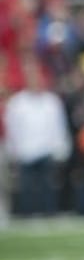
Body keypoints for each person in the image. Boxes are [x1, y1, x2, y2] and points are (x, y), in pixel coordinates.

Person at [3, 58, 72, 216]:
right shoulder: (17, 103)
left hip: (46, 151)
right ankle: (28, 216)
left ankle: (49, 215)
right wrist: (12, 150)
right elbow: (12, 129)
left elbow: (59, 127)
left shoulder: (51, 102)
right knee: (27, 189)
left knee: (48, 188)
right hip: (25, 152)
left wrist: (61, 148)